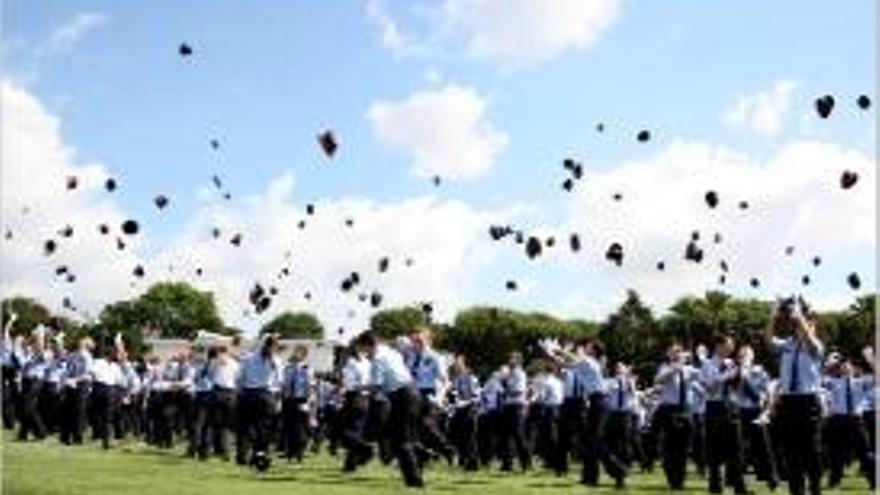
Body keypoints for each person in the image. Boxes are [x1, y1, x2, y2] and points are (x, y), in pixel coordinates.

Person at [764, 297, 824, 495]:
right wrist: (773, 316)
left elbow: (809, 339)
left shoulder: (815, 346)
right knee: (791, 451)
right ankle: (796, 490)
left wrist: (800, 316)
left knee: (812, 449)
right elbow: (769, 340)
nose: (804, 326)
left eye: (810, 324)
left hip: (808, 401)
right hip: (788, 401)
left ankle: (814, 487)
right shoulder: (787, 344)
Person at [354, 332, 424, 487]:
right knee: (399, 434)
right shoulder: (390, 351)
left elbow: (377, 386)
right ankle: (413, 460)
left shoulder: (378, 359)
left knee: (401, 440)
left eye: (362, 349)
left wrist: (358, 387)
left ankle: (414, 480)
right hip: (412, 392)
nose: (363, 353)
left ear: (368, 345)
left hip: (402, 396)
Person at [700, 334, 748, 494]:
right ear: (718, 346)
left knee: (736, 448)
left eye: (732, 345)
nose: (731, 348)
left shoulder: (732, 363)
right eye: (728, 345)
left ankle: (739, 486)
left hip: (731, 407)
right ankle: (715, 485)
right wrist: (726, 376)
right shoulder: (707, 364)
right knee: (714, 449)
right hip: (715, 406)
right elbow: (710, 387)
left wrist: (741, 370)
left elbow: (739, 387)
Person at [821, 355, 875, 489]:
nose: (845, 367)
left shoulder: (861, 381)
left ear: (852, 367)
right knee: (836, 453)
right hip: (838, 420)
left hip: (856, 420)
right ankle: (834, 481)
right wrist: (828, 364)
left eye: (847, 365)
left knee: (865, 451)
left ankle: (874, 480)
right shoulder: (832, 382)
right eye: (841, 365)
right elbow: (816, 378)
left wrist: (870, 360)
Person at [654, 342, 701, 490]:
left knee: (683, 447)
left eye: (679, 352)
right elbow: (658, 379)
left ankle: (679, 480)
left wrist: (700, 357)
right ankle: (672, 478)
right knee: (670, 446)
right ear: (669, 354)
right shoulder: (665, 367)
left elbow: (703, 374)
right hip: (670, 409)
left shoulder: (689, 369)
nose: (676, 354)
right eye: (673, 352)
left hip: (685, 410)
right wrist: (676, 367)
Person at [406, 327, 454, 464]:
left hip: (429, 393)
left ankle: (446, 448)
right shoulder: (411, 357)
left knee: (427, 425)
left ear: (428, 341)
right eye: (413, 341)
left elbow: (446, 381)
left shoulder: (435, 357)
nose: (416, 344)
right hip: (414, 394)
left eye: (419, 340)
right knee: (413, 428)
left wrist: (439, 397)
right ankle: (422, 457)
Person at [236, 334, 283, 470]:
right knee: (264, 428)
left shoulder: (248, 358)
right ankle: (260, 454)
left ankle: (246, 455)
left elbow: (239, 378)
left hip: (248, 394)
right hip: (266, 395)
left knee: (247, 427)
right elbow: (280, 381)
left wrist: (241, 392)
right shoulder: (276, 360)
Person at [735, 343, 778, 491]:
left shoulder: (761, 372)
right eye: (741, 355)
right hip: (740, 411)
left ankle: (772, 478)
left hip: (756, 411)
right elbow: (736, 390)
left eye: (747, 354)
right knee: (740, 448)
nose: (744, 357)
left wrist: (766, 411)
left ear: (752, 357)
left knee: (763, 446)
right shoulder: (734, 371)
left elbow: (767, 393)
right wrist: (742, 373)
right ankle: (739, 482)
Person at [340, 347, 373, 472]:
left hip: (354, 397)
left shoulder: (351, 363)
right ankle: (350, 464)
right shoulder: (368, 363)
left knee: (346, 433)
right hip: (365, 398)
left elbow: (349, 383)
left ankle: (365, 448)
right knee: (356, 431)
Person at [498, 352, 531, 473]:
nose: (509, 361)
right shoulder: (509, 374)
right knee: (505, 435)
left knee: (518, 435)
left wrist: (506, 389)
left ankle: (525, 463)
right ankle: (507, 463)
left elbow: (518, 391)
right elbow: (504, 387)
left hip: (517, 405)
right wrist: (503, 380)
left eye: (511, 359)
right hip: (508, 405)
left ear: (518, 361)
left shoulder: (520, 374)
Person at [18, 325, 52, 441]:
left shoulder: (47, 352)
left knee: (29, 407)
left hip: (36, 381)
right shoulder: (30, 351)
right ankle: (23, 434)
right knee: (24, 408)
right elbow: (24, 346)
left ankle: (41, 432)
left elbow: (41, 351)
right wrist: (33, 336)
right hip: (26, 380)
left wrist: (40, 334)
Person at [281, 344, 313, 463]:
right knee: (289, 427)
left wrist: (309, 401)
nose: (295, 354)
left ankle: (300, 453)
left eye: (298, 352)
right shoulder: (287, 367)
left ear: (304, 355)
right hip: (288, 399)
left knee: (301, 427)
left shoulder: (307, 368)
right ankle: (290, 453)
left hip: (302, 399)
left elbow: (310, 386)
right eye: (295, 351)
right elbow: (283, 383)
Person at [449, 356, 481, 471]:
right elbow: (454, 394)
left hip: (470, 409)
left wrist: (464, 402)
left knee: (470, 437)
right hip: (460, 409)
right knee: (460, 436)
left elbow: (476, 396)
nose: (455, 366)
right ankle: (464, 460)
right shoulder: (456, 378)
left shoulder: (471, 378)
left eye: (458, 364)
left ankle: (473, 463)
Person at [60, 336, 93, 444]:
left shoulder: (87, 357)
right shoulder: (73, 355)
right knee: (68, 410)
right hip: (70, 384)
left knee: (79, 411)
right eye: (80, 342)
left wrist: (74, 380)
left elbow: (87, 373)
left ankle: (77, 437)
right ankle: (65, 436)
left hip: (82, 384)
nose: (80, 344)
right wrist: (66, 380)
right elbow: (67, 367)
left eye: (83, 343)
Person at [605, 362, 637, 470]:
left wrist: (628, 379)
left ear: (625, 370)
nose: (618, 369)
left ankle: (627, 462)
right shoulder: (610, 381)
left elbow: (633, 393)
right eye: (617, 367)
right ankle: (616, 462)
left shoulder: (629, 381)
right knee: (614, 439)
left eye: (621, 367)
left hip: (625, 413)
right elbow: (607, 394)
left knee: (625, 438)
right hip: (613, 413)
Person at [210, 345, 239, 460]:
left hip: (218, 392)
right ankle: (225, 450)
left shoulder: (214, 362)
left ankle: (220, 449)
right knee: (227, 424)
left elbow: (211, 376)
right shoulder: (235, 364)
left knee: (218, 423)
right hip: (230, 393)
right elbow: (238, 379)